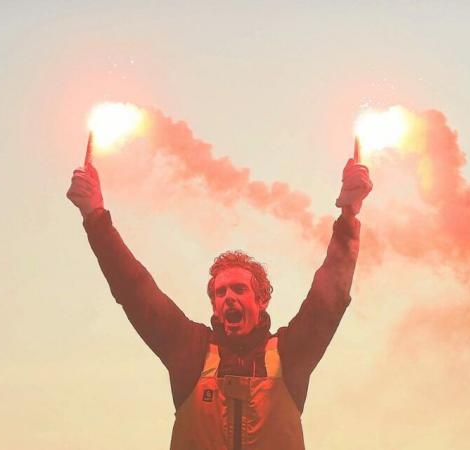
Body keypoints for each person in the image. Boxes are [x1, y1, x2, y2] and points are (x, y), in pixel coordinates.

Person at [66, 155, 372, 450]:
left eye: (239, 289)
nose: (229, 298)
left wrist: (348, 215)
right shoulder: (189, 350)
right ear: (213, 305)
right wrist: (94, 216)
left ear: (262, 299)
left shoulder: (289, 355)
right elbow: (134, 289)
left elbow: (327, 302)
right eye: (221, 293)